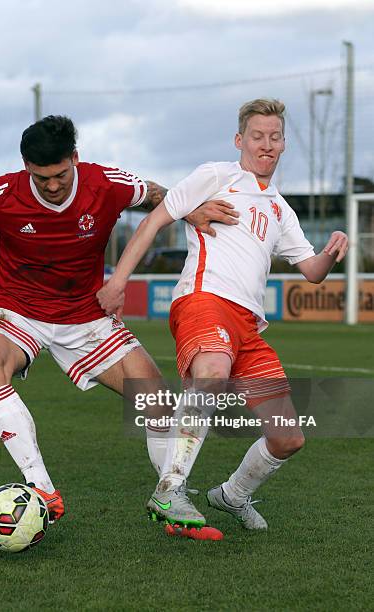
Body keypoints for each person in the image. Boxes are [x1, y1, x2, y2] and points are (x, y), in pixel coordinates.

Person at [0, 115, 238, 525]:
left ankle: (169, 498)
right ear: (26, 168)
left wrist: (191, 208)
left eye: (60, 175)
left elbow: (158, 195)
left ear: (75, 157)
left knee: (157, 402)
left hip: (86, 316)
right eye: (41, 178)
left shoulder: (107, 183)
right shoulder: (1, 194)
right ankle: (42, 489)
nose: (53, 186)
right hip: (18, 310)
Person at [97, 99, 348, 530]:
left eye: (274, 137)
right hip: (203, 301)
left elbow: (312, 272)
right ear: (240, 140)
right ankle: (169, 490)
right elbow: (153, 221)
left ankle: (232, 495)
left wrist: (331, 252)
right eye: (257, 136)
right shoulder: (216, 175)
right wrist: (118, 280)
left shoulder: (281, 210)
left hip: (249, 326)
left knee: (288, 438)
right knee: (211, 371)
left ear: (283, 144)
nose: (266, 144)